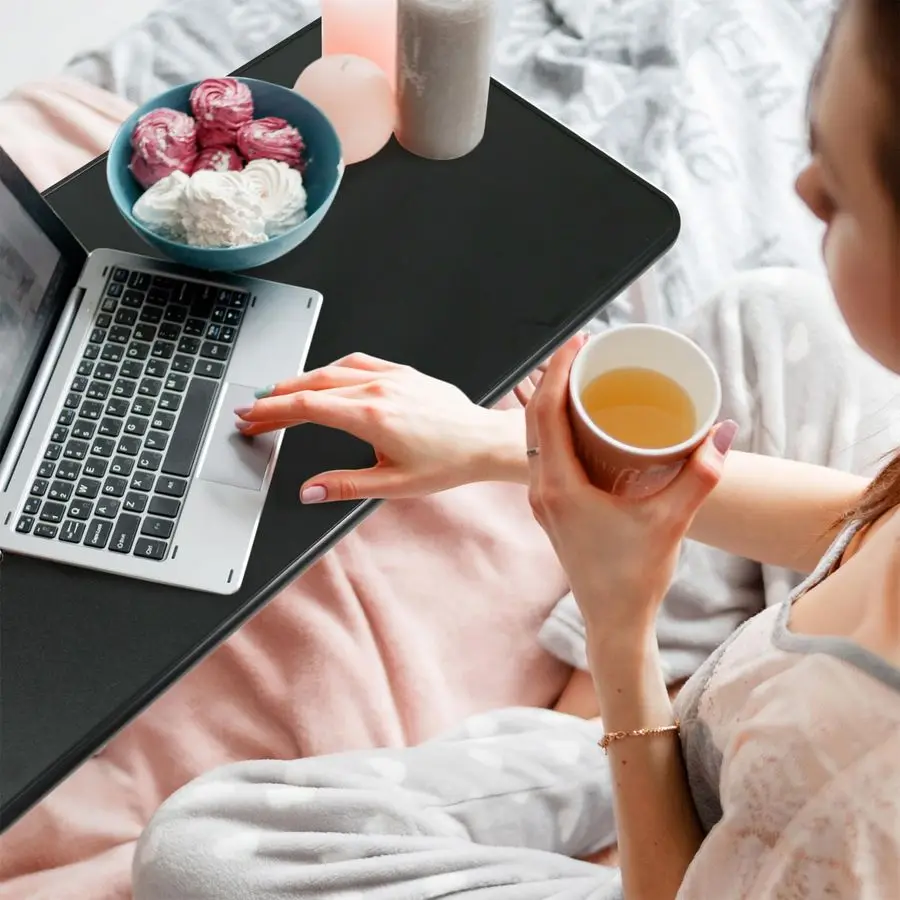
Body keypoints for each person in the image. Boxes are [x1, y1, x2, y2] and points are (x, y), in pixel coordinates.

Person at [133, 1, 900, 897]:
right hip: (742, 721)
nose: (802, 188)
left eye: (841, 193)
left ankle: (611, 765)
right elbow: (861, 522)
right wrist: (497, 443)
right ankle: (615, 748)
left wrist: (621, 629)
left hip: (710, 855)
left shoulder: (859, 785)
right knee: (774, 315)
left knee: (200, 857)